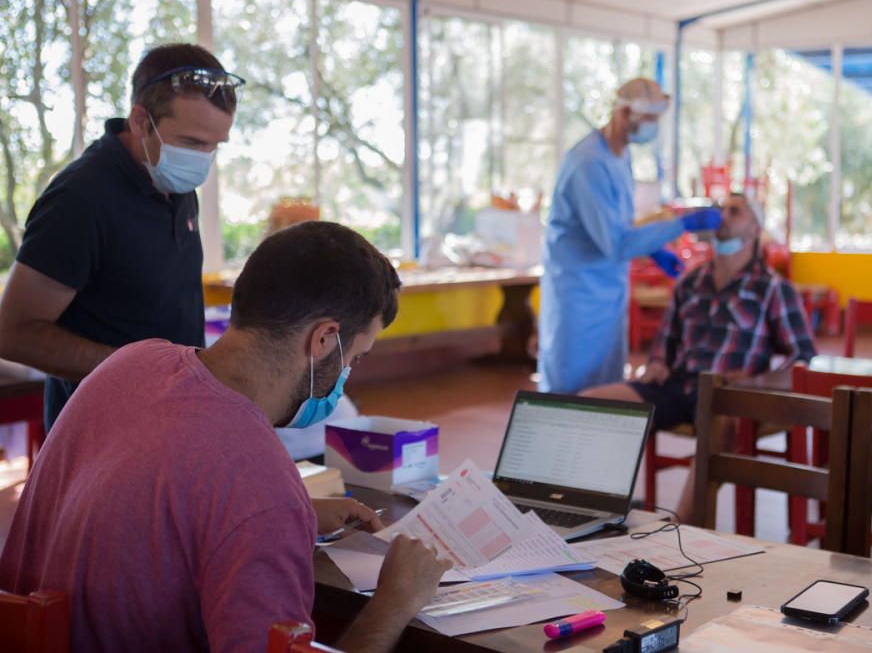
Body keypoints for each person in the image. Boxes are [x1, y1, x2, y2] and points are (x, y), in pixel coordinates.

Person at [0, 222, 452, 653]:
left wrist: (285, 517)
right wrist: (395, 603)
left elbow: (158, 498)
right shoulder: (259, 482)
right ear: (324, 339)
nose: (349, 374)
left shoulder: (131, 363)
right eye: (358, 356)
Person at [0, 43, 242, 430]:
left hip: (170, 416)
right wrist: (142, 371)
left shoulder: (176, 183)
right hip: (102, 431)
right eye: (193, 143)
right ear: (141, 121)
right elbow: (13, 333)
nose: (203, 161)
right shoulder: (80, 199)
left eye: (215, 146)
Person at [581, 192, 817, 519]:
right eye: (722, 209)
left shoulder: (773, 288)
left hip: (728, 395)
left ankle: (678, 533)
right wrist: (658, 363)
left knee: (715, 437)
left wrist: (757, 382)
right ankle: (590, 514)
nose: (723, 216)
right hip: (678, 386)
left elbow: (804, 358)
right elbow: (665, 344)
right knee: (590, 403)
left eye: (735, 211)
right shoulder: (690, 283)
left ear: (754, 230)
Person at [539, 77, 721, 394]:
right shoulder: (589, 164)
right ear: (622, 114)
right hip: (579, 295)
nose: (653, 127)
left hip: (607, 291)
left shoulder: (620, 156)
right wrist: (681, 224)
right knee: (572, 393)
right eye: (648, 119)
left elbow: (616, 224)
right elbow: (616, 243)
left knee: (606, 388)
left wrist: (651, 248)